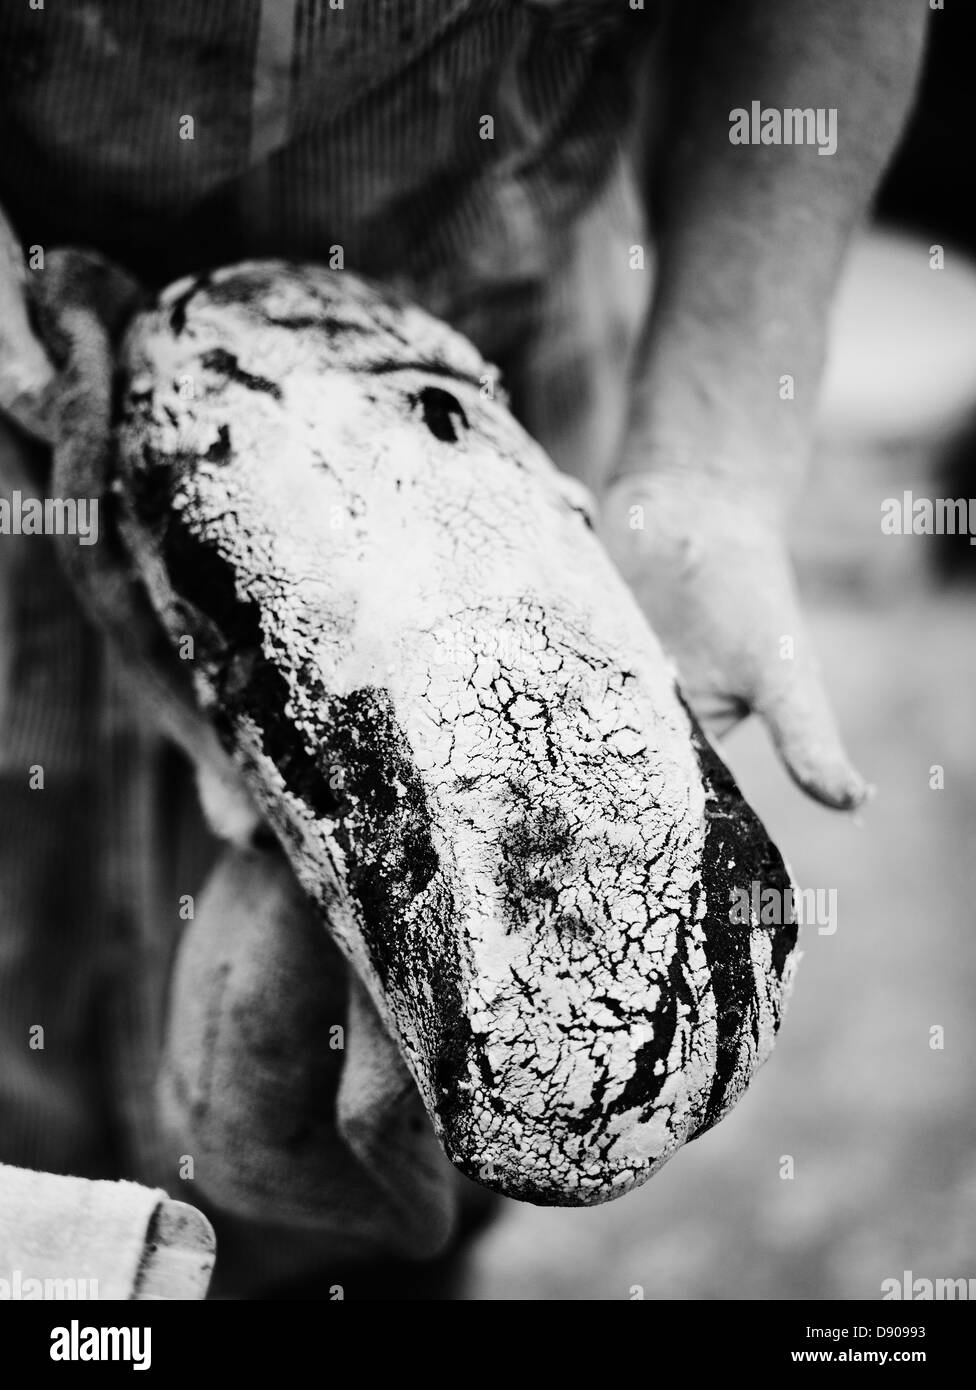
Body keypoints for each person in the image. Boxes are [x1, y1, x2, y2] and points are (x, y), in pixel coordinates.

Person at [0, 0, 927, 1293]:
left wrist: (715, 462)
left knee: (358, 1197)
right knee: (39, 1128)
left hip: (493, 382)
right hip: (36, 421)